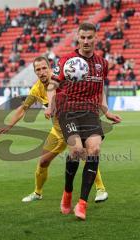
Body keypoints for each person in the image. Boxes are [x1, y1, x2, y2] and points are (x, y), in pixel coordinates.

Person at [0, 56, 108, 203]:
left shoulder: (64, 80)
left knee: (86, 155)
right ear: (35, 72)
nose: (42, 72)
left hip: (74, 128)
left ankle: (101, 189)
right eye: (38, 69)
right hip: (57, 132)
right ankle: (37, 192)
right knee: (43, 162)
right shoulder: (37, 89)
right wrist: (9, 125)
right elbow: (24, 108)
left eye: (44, 68)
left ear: (50, 69)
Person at [45, 23, 122, 220]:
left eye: (90, 37)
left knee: (94, 150)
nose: (86, 41)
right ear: (78, 38)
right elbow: (52, 84)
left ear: (96, 38)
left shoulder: (102, 63)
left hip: (90, 112)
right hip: (67, 110)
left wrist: (106, 110)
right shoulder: (66, 60)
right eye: (83, 37)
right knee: (76, 151)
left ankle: (82, 203)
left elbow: (100, 88)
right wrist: (50, 104)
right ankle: (67, 192)